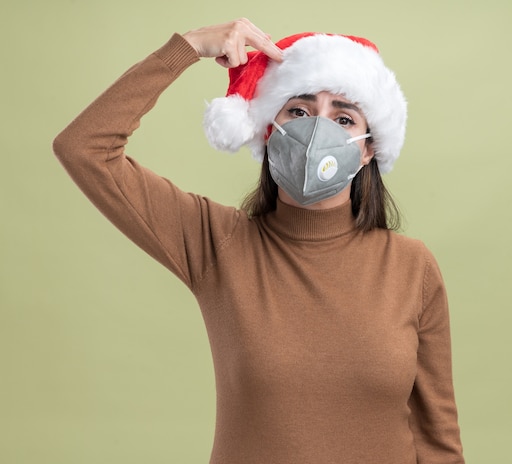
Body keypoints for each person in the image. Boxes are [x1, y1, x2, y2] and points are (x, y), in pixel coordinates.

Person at [53, 17, 464, 464]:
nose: (316, 132)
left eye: (343, 117)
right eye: (299, 111)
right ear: (269, 129)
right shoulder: (217, 243)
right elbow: (83, 147)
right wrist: (186, 48)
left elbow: (437, 439)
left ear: (368, 148)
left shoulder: (411, 267)